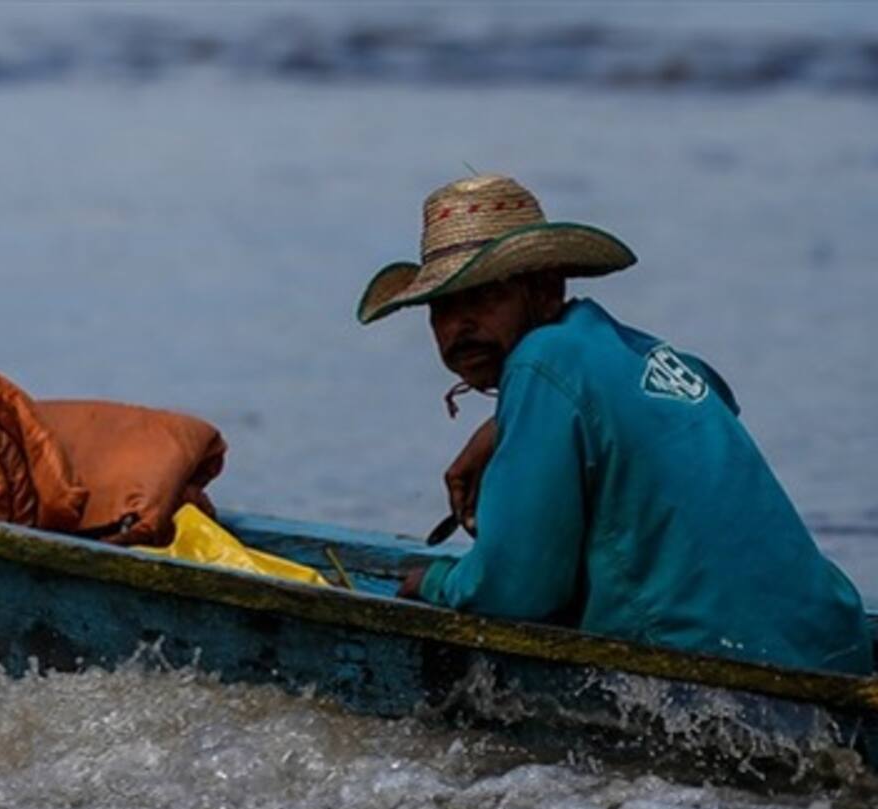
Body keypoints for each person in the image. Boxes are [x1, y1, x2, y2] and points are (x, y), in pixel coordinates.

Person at [357, 174, 872, 675]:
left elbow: (515, 590)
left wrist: (439, 583)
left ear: (546, 290)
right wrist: (504, 425)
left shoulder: (543, 357)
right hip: (837, 644)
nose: (458, 327)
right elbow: (701, 405)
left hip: (725, 666)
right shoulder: (652, 355)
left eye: (483, 297)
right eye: (441, 308)